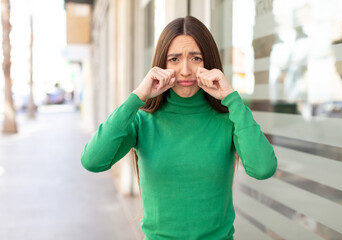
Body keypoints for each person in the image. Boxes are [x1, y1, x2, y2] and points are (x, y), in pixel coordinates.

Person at [81, 16, 277, 240]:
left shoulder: (229, 118)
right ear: (162, 65)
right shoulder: (143, 121)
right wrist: (137, 98)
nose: (185, 70)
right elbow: (92, 161)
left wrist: (232, 99)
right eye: (174, 59)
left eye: (196, 58)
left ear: (209, 62)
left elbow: (263, 168)